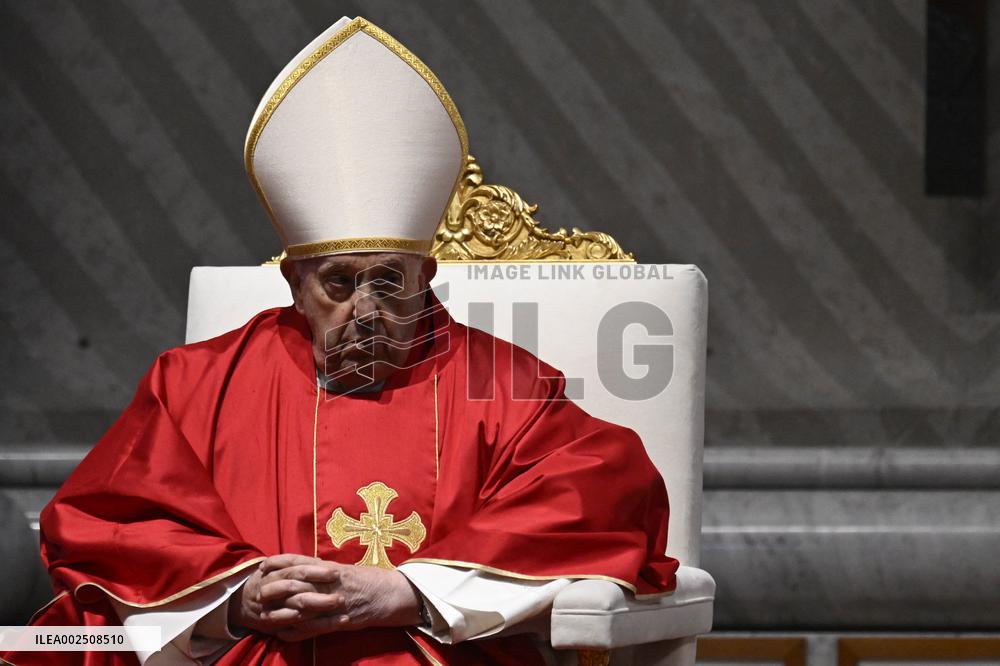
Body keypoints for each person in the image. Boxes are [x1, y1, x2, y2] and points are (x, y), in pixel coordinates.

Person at [1, 16, 678, 666]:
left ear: (428, 275)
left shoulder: (505, 386)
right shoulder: (198, 384)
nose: (367, 310)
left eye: (390, 281)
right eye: (339, 283)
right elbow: (109, 524)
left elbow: (607, 491)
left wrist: (406, 591)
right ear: (295, 283)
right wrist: (236, 596)